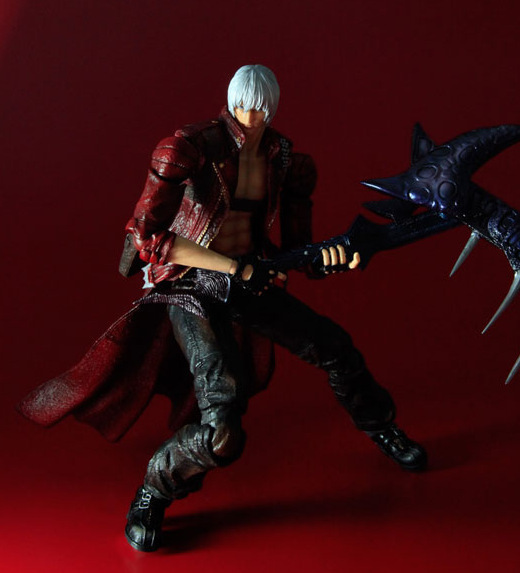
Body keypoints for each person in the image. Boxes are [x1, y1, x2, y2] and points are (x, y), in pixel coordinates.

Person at [19, 65, 427, 553]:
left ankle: (382, 428)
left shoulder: (285, 160)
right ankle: (154, 490)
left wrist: (334, 257)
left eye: (262, 108)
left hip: (250, 278)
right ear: (232, 102)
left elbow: (297, 250)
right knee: (223, 428)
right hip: (191, 285)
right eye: (244, 106)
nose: (253, 117)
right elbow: (148, 238)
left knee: (335, 347)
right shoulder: (188, 149)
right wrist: (234, 267)